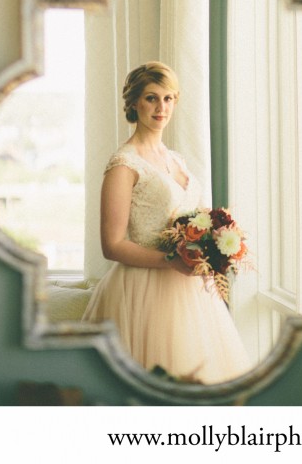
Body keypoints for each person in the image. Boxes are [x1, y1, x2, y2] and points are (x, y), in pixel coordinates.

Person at [82, 61, 250, 384]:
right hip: (142, 293)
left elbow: (199, 219)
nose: (162, 108)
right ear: (134, 103)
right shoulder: (123, 164)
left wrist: (216, 245)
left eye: (169, 98)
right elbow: (111, 245)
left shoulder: (177, 159)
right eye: (151, 98)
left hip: (192, 294)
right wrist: (174, 262)